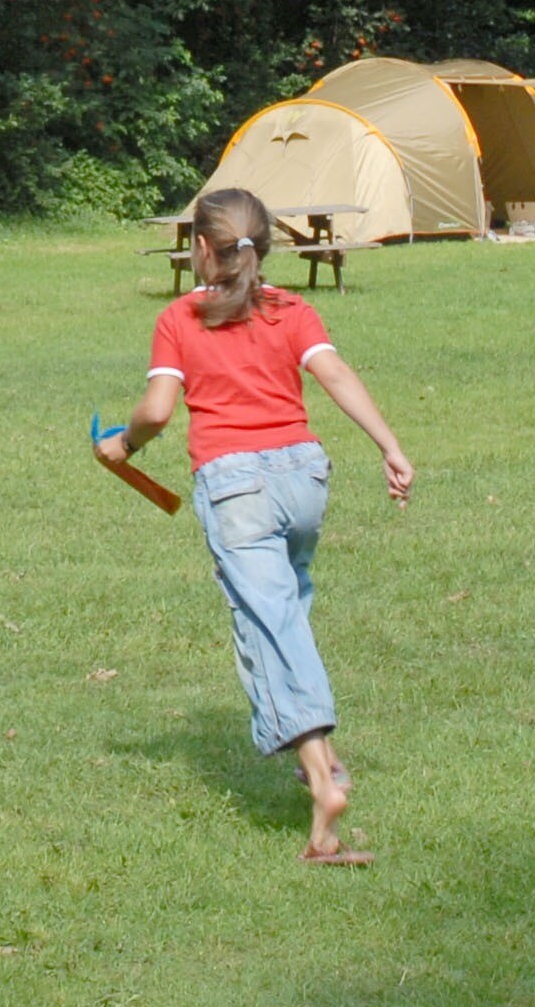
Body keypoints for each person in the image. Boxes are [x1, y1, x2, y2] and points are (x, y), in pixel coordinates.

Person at [99, 187, 415, 865]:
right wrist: (390, 446)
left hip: (236, 484)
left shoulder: (181, 316)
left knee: (266, 626)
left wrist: (124, 445)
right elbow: (334, 374)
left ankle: (324, 777)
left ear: (203, 251)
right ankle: (320, 761)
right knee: (289, 612)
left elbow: (158, 408)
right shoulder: (293, 309)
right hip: (304, 478)